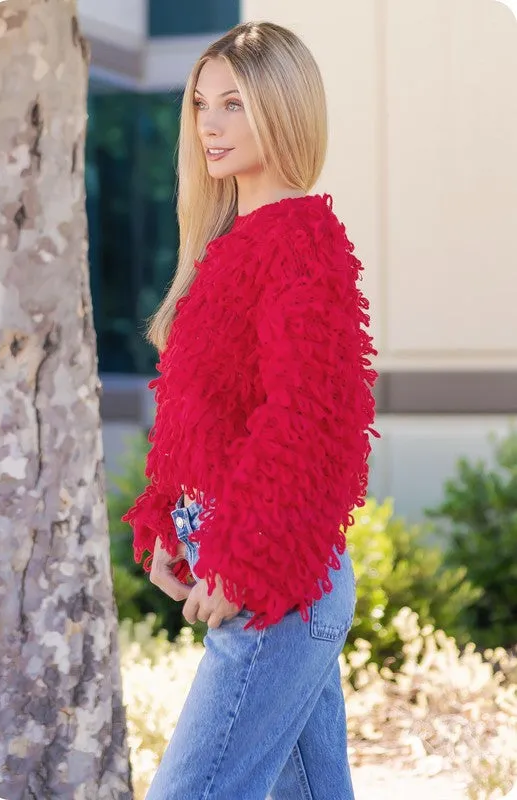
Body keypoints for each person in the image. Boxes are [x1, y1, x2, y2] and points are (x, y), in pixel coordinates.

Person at [123, 20, 378, 800]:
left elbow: (309, 421)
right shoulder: (229, 244)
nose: (208, 123)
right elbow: (205, 414)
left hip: (280, 585)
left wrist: (243, 560)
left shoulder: (300, 240)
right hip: (268, 577)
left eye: (233, 104)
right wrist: (166, 516)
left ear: (282, 108)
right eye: (201, 103)